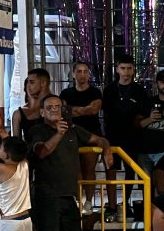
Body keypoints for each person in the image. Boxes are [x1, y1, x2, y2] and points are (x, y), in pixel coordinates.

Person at [29, 94, 113, 231]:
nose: (55, 110)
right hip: (46, 194)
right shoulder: (37, 130)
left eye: (58, 107)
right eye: (50, 107)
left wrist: (107, 150)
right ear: (42, 112)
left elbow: (99, 139)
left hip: (68, 194)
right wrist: (58, 133)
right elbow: (41, 152)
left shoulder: (73, 129)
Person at [101, 54, 150, 220]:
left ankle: (130, 203)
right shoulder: (109, 91)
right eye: (123, 68)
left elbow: (142, 116)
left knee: (132, 171)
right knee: (111, 170)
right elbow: (107, 115)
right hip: (112, 138)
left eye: (129, 68)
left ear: (134, 69)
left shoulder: (140, 91)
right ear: (117, 69)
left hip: (133, 138)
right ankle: (113, 206)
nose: (126, 72)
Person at [59, 61, 104, 211]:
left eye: (85, 71)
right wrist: (83, 109)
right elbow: (64, 112)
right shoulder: (66, 93)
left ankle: (89, 202)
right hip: (72, 134)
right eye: (79, 71)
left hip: (92, 134)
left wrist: (75, 110)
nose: (82, 75)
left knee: (90, 169)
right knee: (76, 168)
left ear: (89, 74)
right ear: (73, 74)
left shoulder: (95, 92)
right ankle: (79, 201)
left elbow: (93, 110)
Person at [11, 68, 51, 137]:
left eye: (32, 82)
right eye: (28, 83)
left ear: (43, 83)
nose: (28, 86)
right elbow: (16, 143)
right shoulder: (19, 114)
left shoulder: (58, 105)